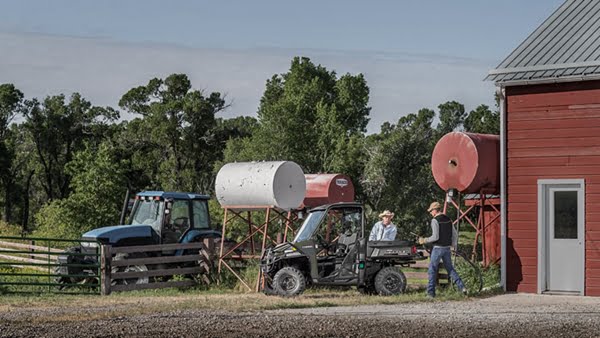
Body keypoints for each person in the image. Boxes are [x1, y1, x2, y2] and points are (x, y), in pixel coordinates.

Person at [418, 201, 467, 298]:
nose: (431, 213)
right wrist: (453, 245)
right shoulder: (448, 219)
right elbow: (455, 234)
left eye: (431, 211)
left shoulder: (435, 220)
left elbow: (435, 237)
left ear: (435, 210)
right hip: (447, 248)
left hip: (437, 248)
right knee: (450, 269)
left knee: (432, 270)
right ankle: (462, 287)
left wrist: (424, 240)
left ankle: (431, 293)